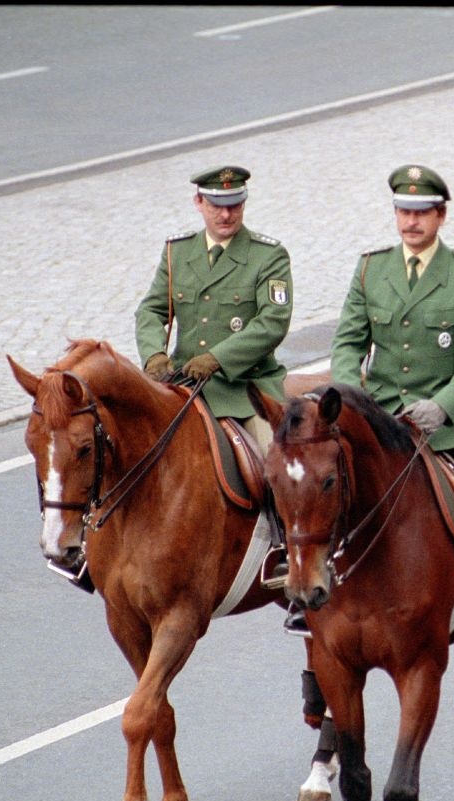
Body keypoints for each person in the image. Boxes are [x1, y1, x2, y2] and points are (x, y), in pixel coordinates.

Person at [315, 163, 454, 646]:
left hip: (450, 423)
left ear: (440, 217)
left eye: (421, 213)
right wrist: (351, 395)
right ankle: (308, 593)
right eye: (403, 211)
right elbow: (349, 342)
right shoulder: (372, 269)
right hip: (380, 416)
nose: (410, 222)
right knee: (320, 485)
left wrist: (443, 406)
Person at [135, 165, 292, 584]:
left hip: (245, 390)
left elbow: (272, 321)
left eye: (235, 205)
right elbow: (151, 309)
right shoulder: (177, 253)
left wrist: (219, 358)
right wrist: (153, 355)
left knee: (277, 467)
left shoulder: (267, 255)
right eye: (218, 206)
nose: (227, 215)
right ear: (199, 203)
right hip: (183, 385)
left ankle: (286, 554)